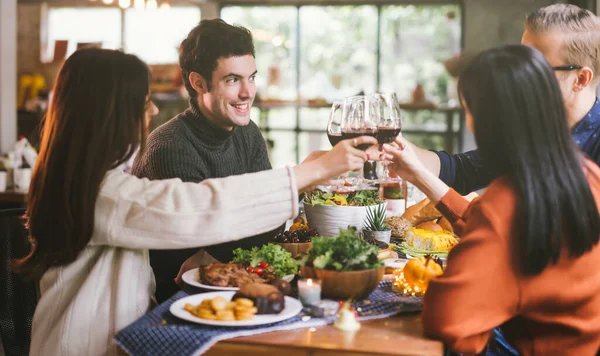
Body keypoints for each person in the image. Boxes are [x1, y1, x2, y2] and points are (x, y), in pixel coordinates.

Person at [12, 48, 376, 356]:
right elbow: (194, 207)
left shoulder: (87, 182)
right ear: (110, 115)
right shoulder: (97, 193)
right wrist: (305, 174)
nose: (153, 112)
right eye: (144, 102)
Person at [385, 44, 600, 355]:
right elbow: (496, 225)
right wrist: (419, 175)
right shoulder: (584, 173)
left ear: (485, 121)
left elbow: (448, 321)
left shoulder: (511, 200)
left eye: (467, 109)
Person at [132, 19, 283, 302]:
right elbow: (204, 234)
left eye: (251, 77)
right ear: (198, 83)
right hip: (174, 301)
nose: (248, 92)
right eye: (233, 80)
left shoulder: (248, 132)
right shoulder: (169, 145)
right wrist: (260, 213)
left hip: (232, 283)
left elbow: (271, 212)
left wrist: (263, 212)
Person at [410, 4, 600, 195]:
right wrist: (399, 149)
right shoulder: (531, 128)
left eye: (536, 66)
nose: (520, 75)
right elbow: (462, 172)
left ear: (581, 79)